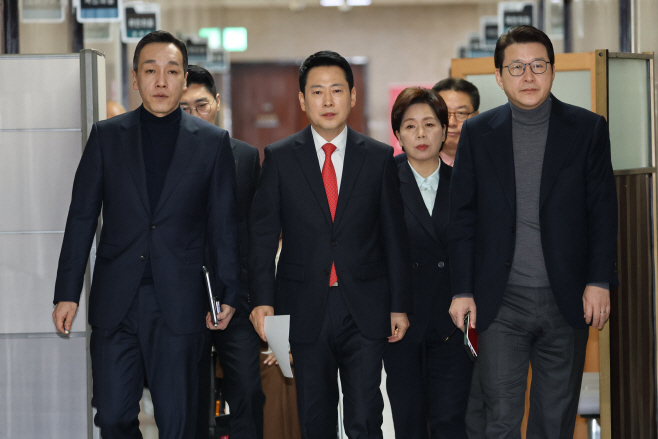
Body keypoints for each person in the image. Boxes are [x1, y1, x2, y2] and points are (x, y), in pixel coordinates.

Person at [51, 30, 241, 438]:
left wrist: (226, 292)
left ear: (184, 79)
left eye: (171, 71)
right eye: (150, 70)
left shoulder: (212, 144)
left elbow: (223, 226)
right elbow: (81, 217)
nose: (161, 80)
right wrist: (67, 292)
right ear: (135, 79)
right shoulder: (107, 137)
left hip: (180, 302)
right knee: (112, 416)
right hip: (117, 300)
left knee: (178, 422)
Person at [448, 25, 618, 439]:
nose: (528, 76)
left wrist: (598, 280)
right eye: (517, 67)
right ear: (498, 76)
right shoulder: (477, 133)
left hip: (567, 298)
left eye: (538, 65)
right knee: (501, 418)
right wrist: (462, 289)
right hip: (500, 301)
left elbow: (602, 212)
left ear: (553, 71)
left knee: (554, 421)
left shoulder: (587, 129)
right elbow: (462, 218)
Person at [248, 50, 412, 439]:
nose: (327, 100)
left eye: (336, 90)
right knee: (314, 417)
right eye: (317, 91)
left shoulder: (378, 157)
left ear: (352, 96)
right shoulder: (280, 158)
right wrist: (262, 301)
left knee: (365, 417)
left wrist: (399, 305)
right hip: (304, 306)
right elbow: (262, 238)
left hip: (364, 306)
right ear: (302, 99)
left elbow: (394, 237)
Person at [383, 87, 473, 439]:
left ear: (444, 130)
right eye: (410, 126)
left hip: (451, 320)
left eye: (430, 124)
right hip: (401, 322)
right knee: (409, 422)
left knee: (451, 422)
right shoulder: (383, 181)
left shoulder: (463, 183)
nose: (421, 134)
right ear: (398, 133)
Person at [181, 64, 265, 439]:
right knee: (189, 398)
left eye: (201, 105)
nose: (194, 115)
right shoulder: (164, 158)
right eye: (184, 108)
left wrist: (252, 295)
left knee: (248, 391)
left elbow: (253, 231)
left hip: (236, 298)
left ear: (217, 103)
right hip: (182, 299)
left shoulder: (244, 157)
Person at [432, 78, 480, 167]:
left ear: (476, 117)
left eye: (461, 113)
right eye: (444, 113)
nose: (451, 122)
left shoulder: (491, 162)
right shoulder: (411, 166)